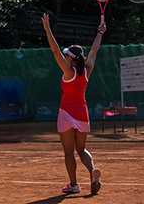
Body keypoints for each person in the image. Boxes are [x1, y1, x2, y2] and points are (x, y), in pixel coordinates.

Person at [41, 13, 106, 194]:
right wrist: (100, 32)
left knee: (69, 152)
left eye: (66, 56)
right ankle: (92, 172)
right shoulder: (87, 70)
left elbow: (55, 50)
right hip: (83, 114)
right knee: (82, 149)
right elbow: (94, 50)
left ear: (70, 59)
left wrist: (47, 29)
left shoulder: (68, 72)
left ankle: (74, 185)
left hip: (66, 115)